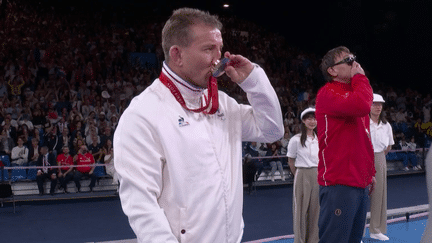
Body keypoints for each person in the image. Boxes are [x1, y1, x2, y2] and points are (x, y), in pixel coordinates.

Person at [113, 8, 284, 243]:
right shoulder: (143, 114)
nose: (220, 59)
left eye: (219, 48)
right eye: (208, 49)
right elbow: (140, 202)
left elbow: (273, 129)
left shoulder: (223, 103)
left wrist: (253, 81)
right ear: (177, 55)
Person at [316, 46, 375, 243]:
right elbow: (362, 105)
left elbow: (363, 139)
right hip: (339, 182)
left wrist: (369, 173)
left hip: (359, 182)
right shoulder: (328, 93)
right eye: (348, 60)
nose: (354, 63)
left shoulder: (353, 92)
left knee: (353, 239)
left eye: (354, 58)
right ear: (332, 71)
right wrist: (361, 77)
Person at [287, 107, 319, 243]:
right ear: (304, 121)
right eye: (309, 118)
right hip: (301, 174)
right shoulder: (296, 139)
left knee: (316, 210)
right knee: (300, 209)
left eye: (314, 118)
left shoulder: (320, 139)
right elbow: (291, 161)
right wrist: (298, 176)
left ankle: (313, 239)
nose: (312, 121)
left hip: (316, 175)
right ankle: (299, 240)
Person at [369, 93, 394, 241]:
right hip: (362, 158)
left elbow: (388, 146)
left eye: (380, 104)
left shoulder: (386, 125)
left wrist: (378, 158)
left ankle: (375, 229)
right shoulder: (362, 122)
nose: (378, 107)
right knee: (358, 196)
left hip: (379, 157)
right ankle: (355, 231)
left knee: (378, 196)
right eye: (374, 104)